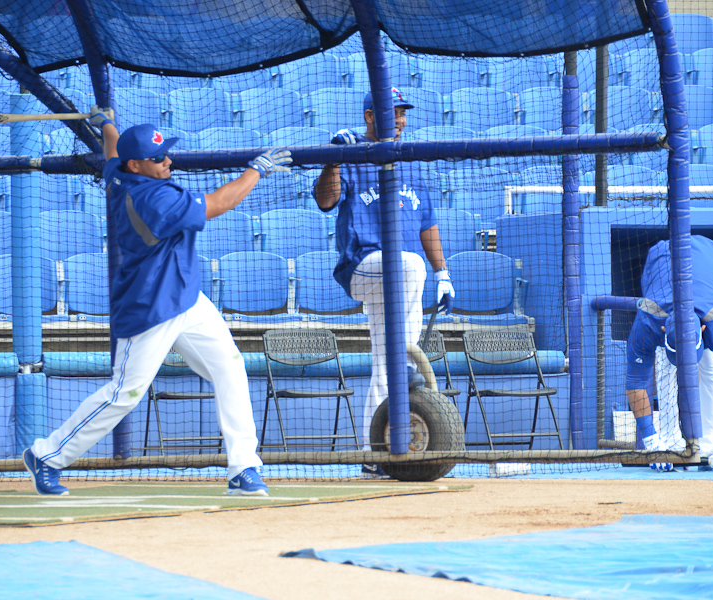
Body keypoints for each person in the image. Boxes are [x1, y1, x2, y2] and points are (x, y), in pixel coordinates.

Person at [22, 106, 292, 496]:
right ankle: (47, 455)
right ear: (139, 165)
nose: (168, 161)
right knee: (124, 395)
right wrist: (256, 170)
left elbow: (113, 155)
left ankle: (243, 466)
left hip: (187, 297)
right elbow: (218, 204)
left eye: (166, 153)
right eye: (157, 158)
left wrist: (106, 124)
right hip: (152, 305)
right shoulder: (151, 199)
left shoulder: (120, 174)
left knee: (230, 367)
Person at [313, 87, 454, 479]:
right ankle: (407, 369)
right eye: (394, 113)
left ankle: (374, 452)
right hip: (363, 266)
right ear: (371, 117)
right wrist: (333, 160)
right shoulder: (354, 153)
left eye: (404, 113)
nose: (402, 120)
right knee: (408, 265)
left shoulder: (411, 162)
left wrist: (443, 272)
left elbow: (427, 223)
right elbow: (326, 202)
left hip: (403, 279)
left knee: (384, 359)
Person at [625, 235, 713, 471]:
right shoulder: (650, 320)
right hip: (663, 262)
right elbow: (635, 382)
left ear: (703, 330)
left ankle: (711, 444)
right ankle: (668, 443)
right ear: (662, 331)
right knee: (665, 368)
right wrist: (651, 442)